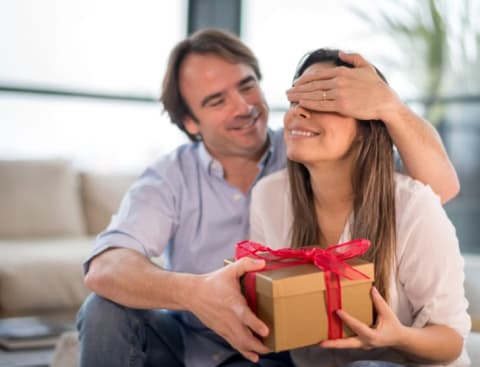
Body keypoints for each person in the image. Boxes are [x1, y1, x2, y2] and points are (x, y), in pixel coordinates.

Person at [77, 28, 461, 367]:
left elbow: (434, 192)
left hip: (275, 351)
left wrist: (388, 105)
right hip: (190, 339)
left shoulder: (315, 148)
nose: (243, 108)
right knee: (103, 311)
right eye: (216, 101)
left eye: (246, 86)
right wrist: (197, 294)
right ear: (191, 124)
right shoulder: (174, 177)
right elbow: (105, 269)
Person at [249, 48, 470, 366]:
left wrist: (398, 337)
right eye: (296, 100)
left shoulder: (412, 206)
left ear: (367, 128)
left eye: (324, 101)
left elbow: (451, 340)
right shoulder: (268, 196)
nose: (299, 112)